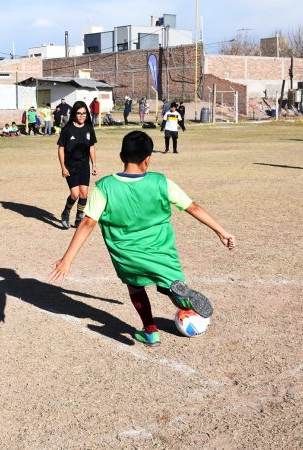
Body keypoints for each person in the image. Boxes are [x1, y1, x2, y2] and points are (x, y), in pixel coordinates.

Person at [49, 130, 235, 347]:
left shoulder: (105, 186)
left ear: (121, 156)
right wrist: (221, 231)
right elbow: (192, 207)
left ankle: (151, 332)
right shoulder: (161, 182)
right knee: (169, 284)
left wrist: (67, 260)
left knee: (135, 288)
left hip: (127, 254)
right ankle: (183, 300)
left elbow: (88, 222)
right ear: (148, 159)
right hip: (161, 251)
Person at [57, 101, 98, 229]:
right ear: (74, 114)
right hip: (70, 166)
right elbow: (61, 149)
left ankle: (79, 217)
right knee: (75, 194)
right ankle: (66, 213)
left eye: (84, 113)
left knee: (84, 194)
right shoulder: (67, 129)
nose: (82, 116)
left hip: (84, 166)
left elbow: (92, 147)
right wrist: (63, 167)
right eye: (79, 113)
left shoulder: (89, 128)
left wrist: (94, 164)